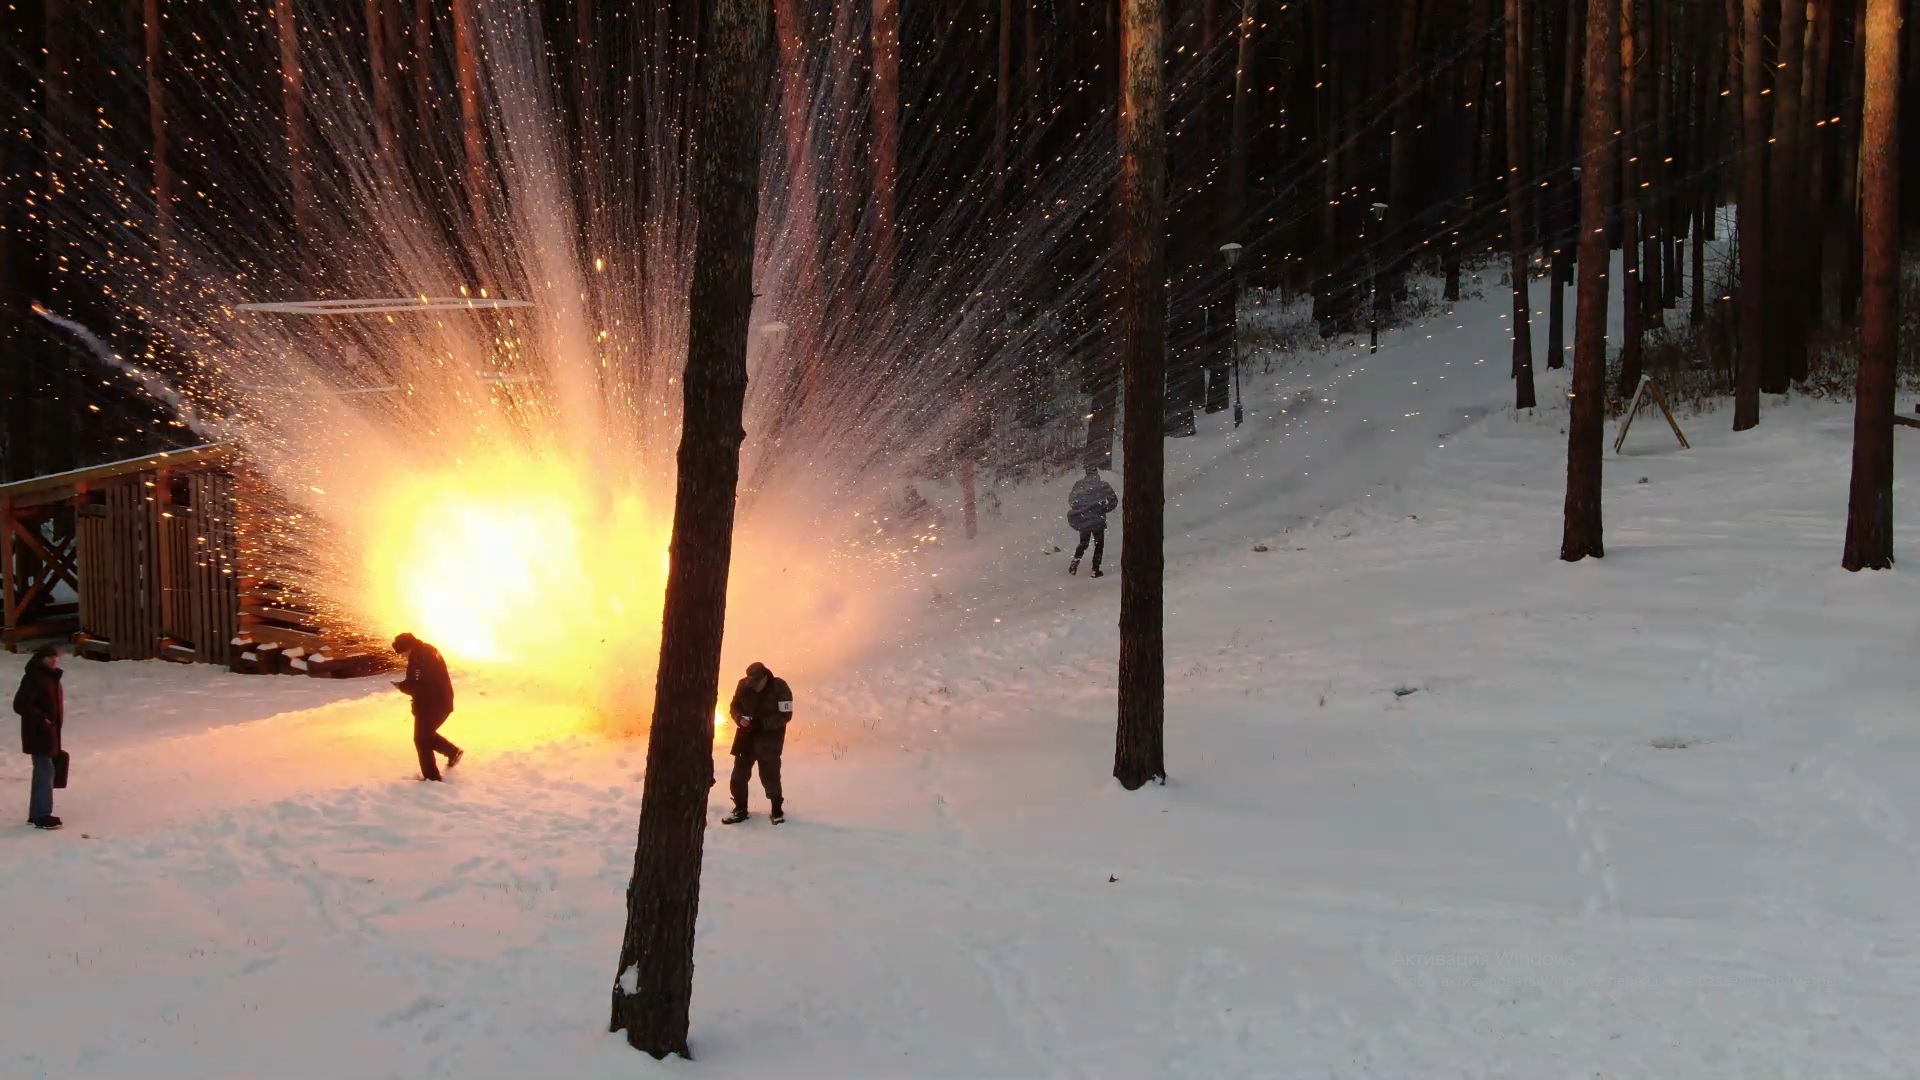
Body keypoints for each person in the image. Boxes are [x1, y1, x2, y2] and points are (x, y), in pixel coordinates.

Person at [722, 661, 793, 824]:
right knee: (738, 776)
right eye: (750, 682)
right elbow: (734, 706)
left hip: (770, 740)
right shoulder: (743, 685)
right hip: (745, 737)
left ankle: (776, 810)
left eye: (755, 683)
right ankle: (740, 809)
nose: (752, 686)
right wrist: (740, 719)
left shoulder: (780, 687)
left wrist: (763, 723)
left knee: (770, 776)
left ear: (764, 678)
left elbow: (786, 715)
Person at [392, 633, 462, 782]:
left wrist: (402, 686)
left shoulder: (419, 658)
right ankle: (453, 752)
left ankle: (432, 778)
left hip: (435, 704)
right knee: (426, 735)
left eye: (402, 653)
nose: (402, 656)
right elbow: (419, 681)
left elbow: (420, 686)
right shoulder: (423, 652)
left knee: (421, 739)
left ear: (407, 648)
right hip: (437, 702)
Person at [13, 645, 63, 830]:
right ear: (40, 659)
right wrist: (42, 719)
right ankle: (42, 815)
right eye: (48, 658)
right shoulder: (35, 677)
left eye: (55, 657)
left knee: (45, 771)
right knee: (45, 771)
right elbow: (20, 704)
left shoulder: (49, 677)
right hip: (39, 733)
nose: (53, 660)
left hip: (48, 732)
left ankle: (37, 813)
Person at [1066, 465, 1120, 577]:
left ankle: (1075, 562)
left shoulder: (1079, 486)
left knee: (1083, 543)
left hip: (1083, 520)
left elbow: (1071, 501)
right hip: (1097, 520)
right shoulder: (1103, 486)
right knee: (1099, 544)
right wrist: (1104, 509)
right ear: (1096, 474)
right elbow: (1114, 501)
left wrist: (1082, 510)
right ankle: (1095, 569)